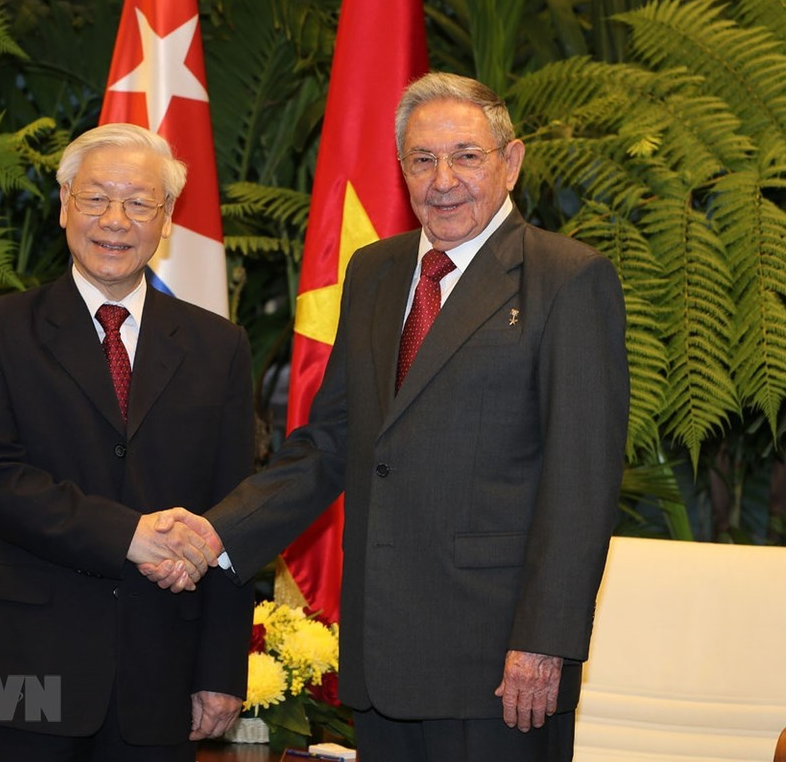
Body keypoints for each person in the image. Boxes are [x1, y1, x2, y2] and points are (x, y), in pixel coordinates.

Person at [145, 73, 630, 761]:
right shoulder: (375, 271)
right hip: (383, 658)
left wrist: (545, 641)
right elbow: (333, 442)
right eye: (422, 159)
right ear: (400, 168)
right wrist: (215, 536)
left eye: (466, 155)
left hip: (499, 667)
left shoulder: (567, 279)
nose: (444, 179)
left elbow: (581, 482)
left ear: (511, 161)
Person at [0, 123, 255, 762]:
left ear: (166, 220)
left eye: (140, 203)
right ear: (64, 205)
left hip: (161, 665)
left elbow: (233, 510)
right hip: (19, 662)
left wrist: (223, 670)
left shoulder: (218, 345)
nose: (116, 220)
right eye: (95, 198)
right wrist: (131, 535)